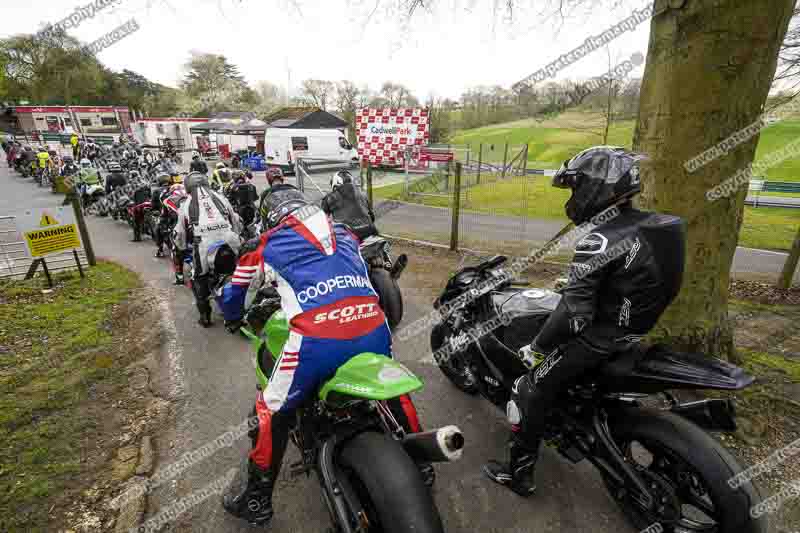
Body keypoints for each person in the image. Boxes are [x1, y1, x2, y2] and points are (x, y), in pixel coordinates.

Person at [483, 146, 686, 497]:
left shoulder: (599, 239)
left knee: (527, 389)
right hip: (635, 332)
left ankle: (519, 476)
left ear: (595, 188)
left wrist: (538, 347)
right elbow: (647, 275)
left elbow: (574, 314)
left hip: (599, 341)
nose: (574, 196)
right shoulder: (664, 225)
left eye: (576, 187)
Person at [219, 190, 430, 526]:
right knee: (394, 389)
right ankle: (421, 464)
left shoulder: (263, 244)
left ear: (269, 218)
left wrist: (230, 314)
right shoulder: (345, 233)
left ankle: (257, 499)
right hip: (375, 327)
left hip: (316, 342)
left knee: (272, 410)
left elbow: (233, 296)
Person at [174, 173, 242, 327]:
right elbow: (235, 220)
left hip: (204, 244)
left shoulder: (186, 204)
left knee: (199, 278)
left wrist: (182, 247)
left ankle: (205, 316)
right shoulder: (220, 198)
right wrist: (236, 236)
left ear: (188, 186)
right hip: (230, 239)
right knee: (240, 268)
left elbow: (180, 234)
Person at [320, 170, 378, 241]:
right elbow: (372, 217)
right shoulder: (363, 194)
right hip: (371, 230)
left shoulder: (329, 198)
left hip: (349, 235)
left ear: (335, 183)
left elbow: (322, 221)